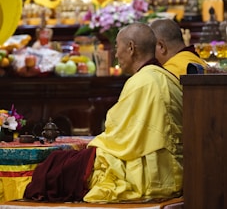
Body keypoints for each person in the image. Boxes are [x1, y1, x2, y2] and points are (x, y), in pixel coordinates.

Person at [24, 22, 183, 203]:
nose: (115, 54)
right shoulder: (168, 78)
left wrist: (90, 147)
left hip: (150, 177)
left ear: (131, 48)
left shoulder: (143, 82)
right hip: (172, 171)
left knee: (55, 167)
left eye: (117, 47)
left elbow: (118, 139)